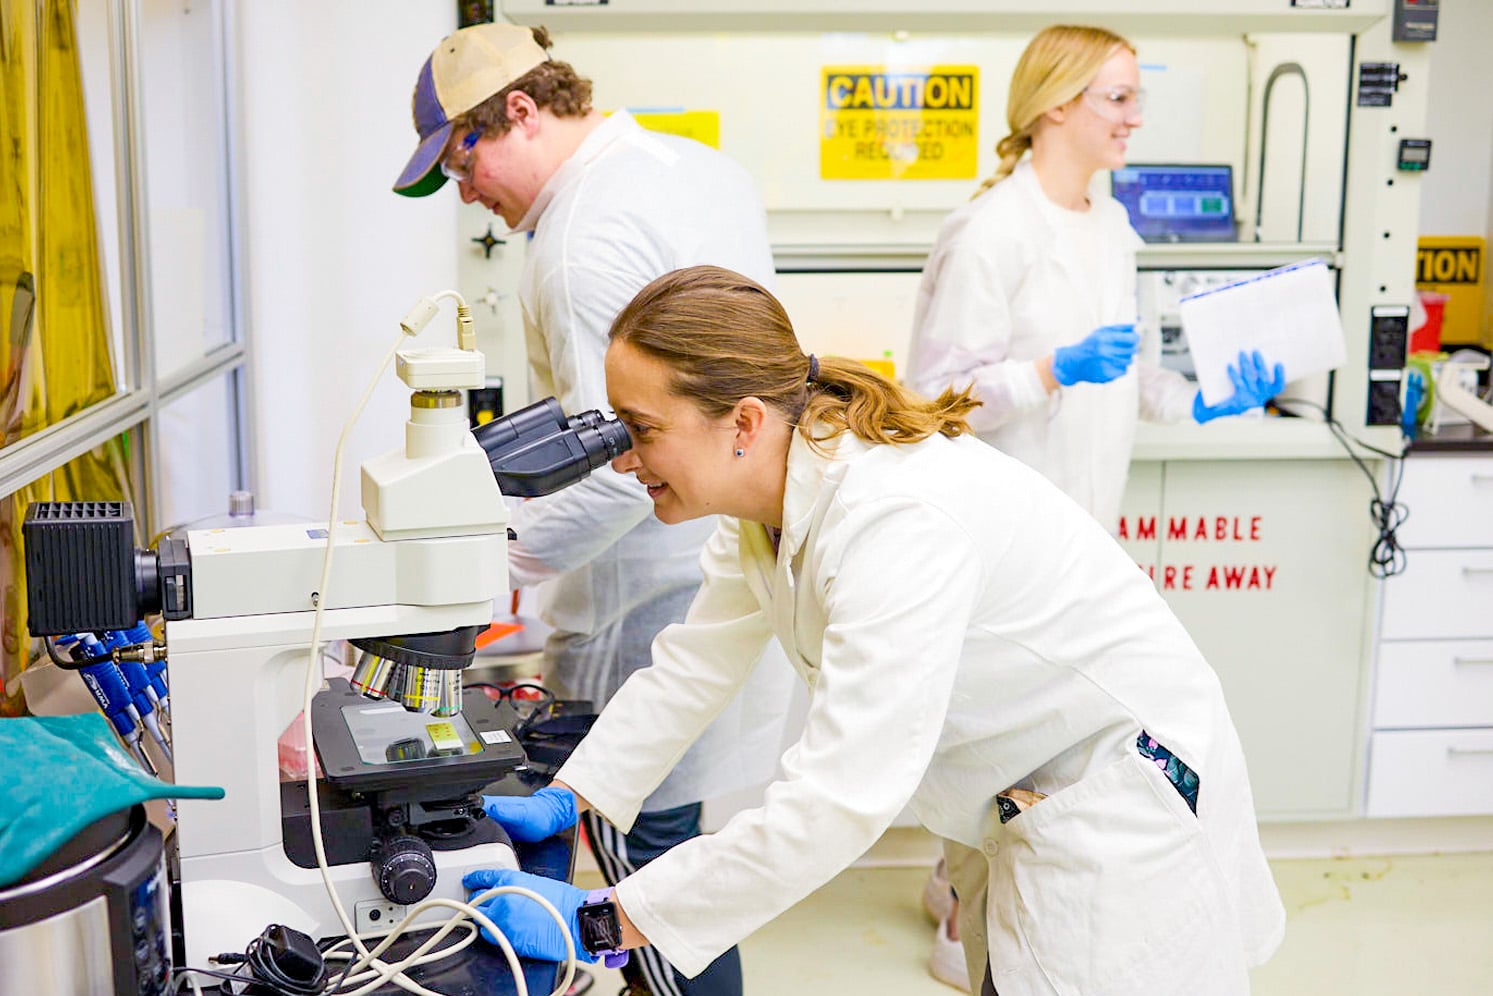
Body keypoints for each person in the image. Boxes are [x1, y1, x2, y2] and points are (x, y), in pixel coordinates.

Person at [461, 265, 1286, 996]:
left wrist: (606, 924)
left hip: (1114, 805)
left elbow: (837, 800)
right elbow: (692, 667)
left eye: (640, 431)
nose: (622, 460)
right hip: (1021, 800)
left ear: (743, 422)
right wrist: (577, 794)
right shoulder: (771, 498)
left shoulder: (893, 519)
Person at [393, 24, 790, 996]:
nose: (466, 193)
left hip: (640, 608)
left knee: (651, 896)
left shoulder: (578, 242)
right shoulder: (695, 167)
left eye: (461, 159)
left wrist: (472, 565)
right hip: (717, 579)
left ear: (520, 111)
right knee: (664, 871)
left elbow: (623, 465)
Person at [904, 26, 1284, 985]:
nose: (1135, 117)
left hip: (1084, 534)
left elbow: (1123, 373)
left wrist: (1195, 398)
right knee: (999, 737)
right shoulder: (991, 230)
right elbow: (933, 399)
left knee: (1055, 739)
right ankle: (964, 907)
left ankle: (963, 887)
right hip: (997, 545)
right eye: (1116, 97)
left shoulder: (1109, 225)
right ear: (1054, 105)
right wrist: (1042, 373)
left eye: (1134, 96)